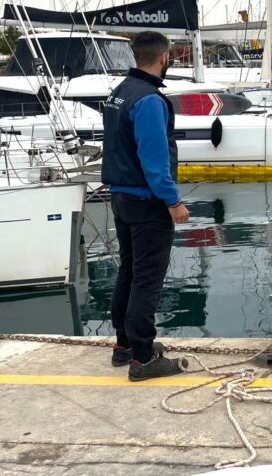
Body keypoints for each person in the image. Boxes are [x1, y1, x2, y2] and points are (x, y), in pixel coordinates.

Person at [101, 31, 190, 382]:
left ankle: (123, 345)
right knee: (147, 279)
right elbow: (154, 159)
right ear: (164, 57)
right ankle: (143, 356)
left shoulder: (119, 93)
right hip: (147, 200)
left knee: (129, 271)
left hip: (121, 196)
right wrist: (173, 202)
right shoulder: (149, 100)